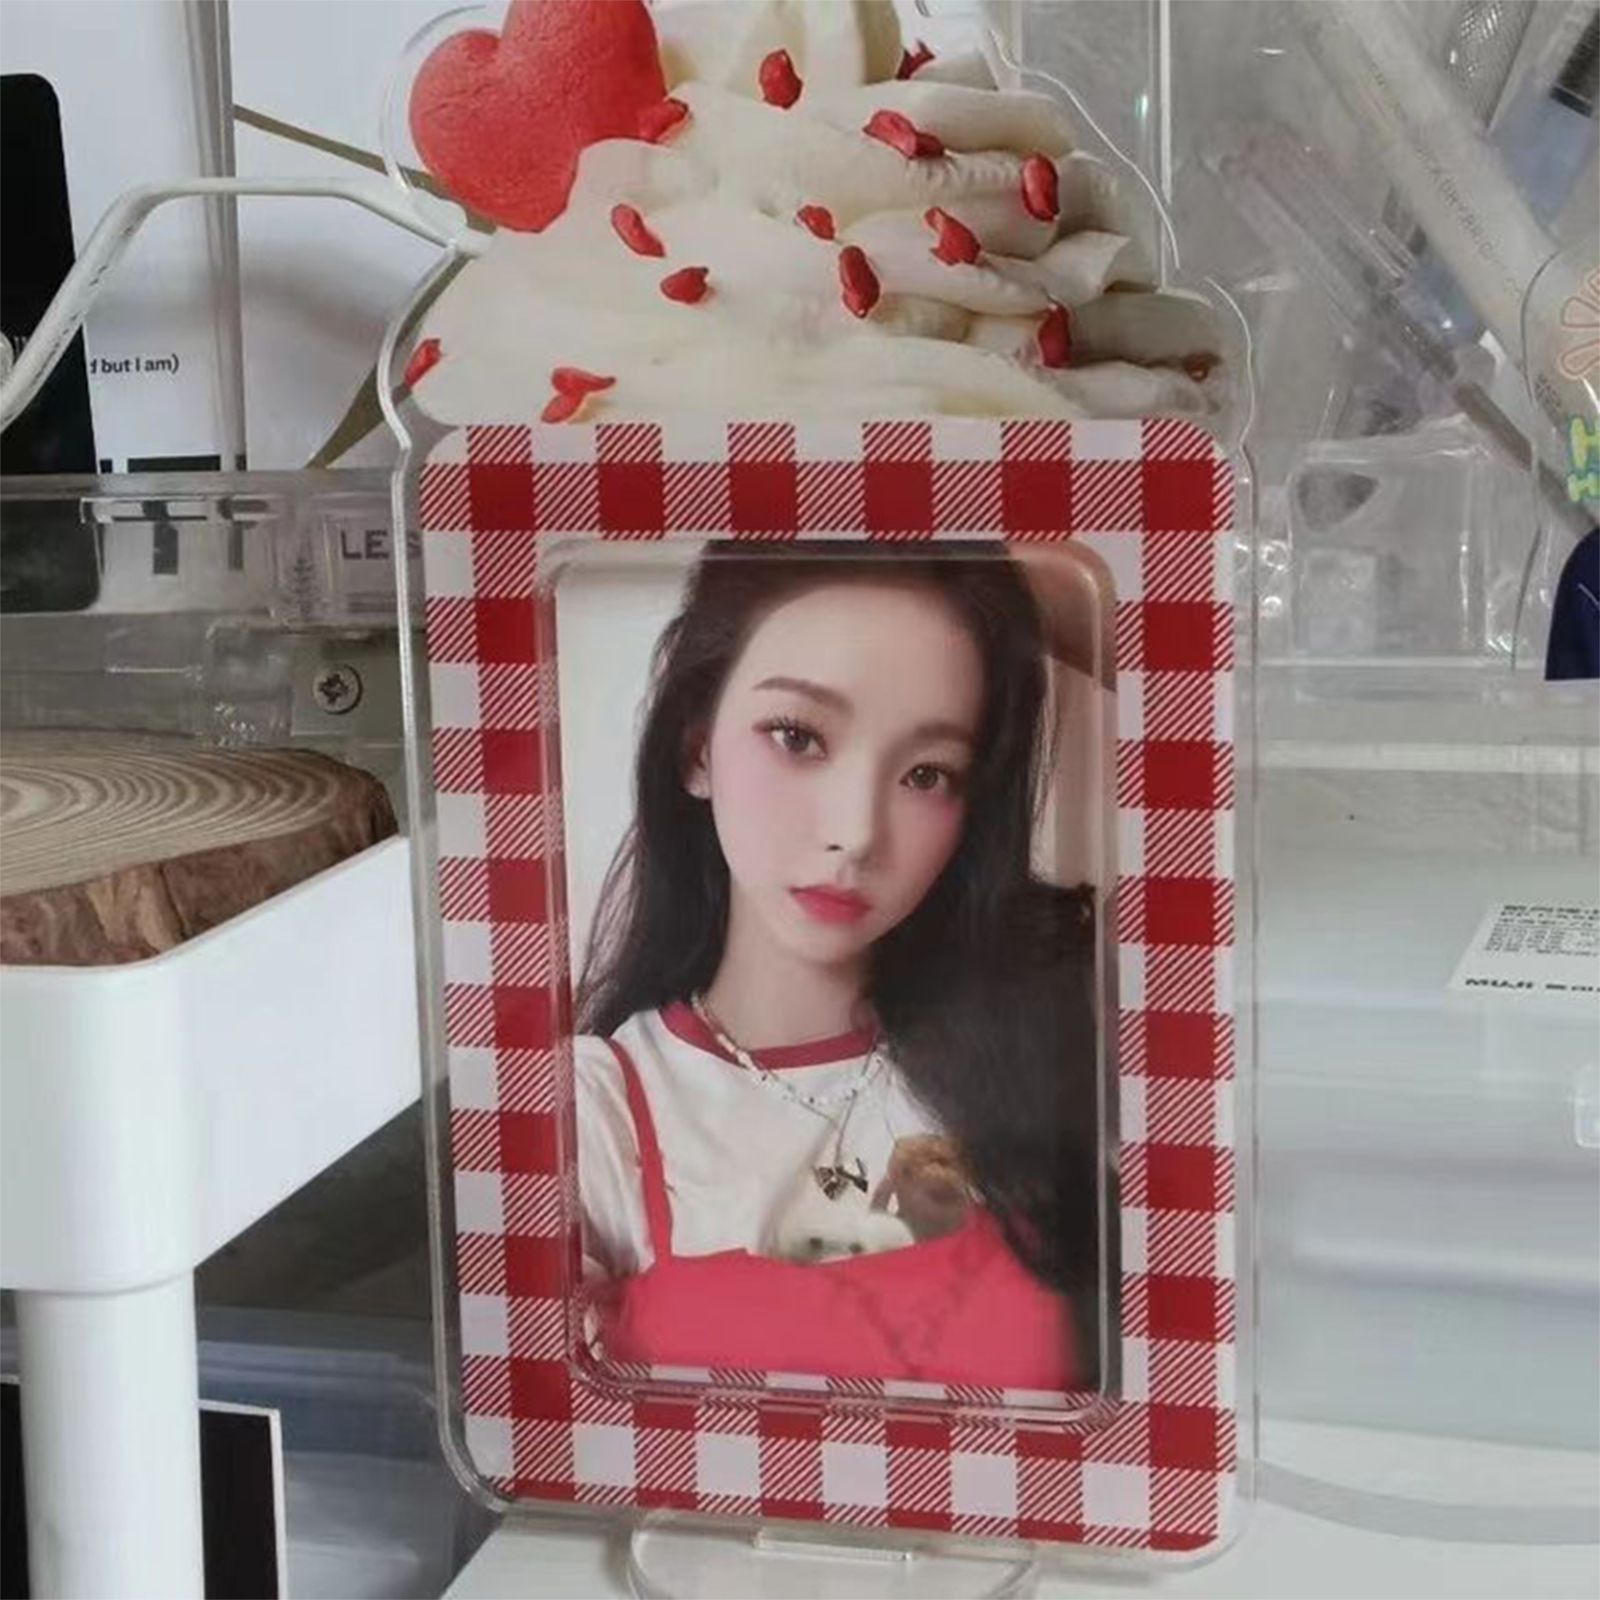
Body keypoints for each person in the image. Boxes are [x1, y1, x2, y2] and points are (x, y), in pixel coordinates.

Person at [573, 541, 1102, 1389]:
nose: (855, 833)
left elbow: (1204, 662)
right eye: (798, 737)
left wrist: (1020, 563)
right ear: (697, 748)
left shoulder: (1041, 1039)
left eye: (927, 774)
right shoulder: (594, 1117)